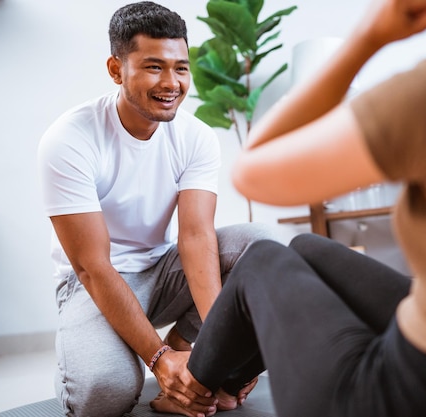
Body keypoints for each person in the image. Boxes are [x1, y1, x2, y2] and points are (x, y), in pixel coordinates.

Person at [144, 0, 426, 416]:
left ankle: (191, 388)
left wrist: (370, 37)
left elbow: (254, 172)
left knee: (263, 258)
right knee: (308, 248)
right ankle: (224, 384)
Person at [36, 2, 277, 416]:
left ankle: (187, 360)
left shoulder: (195, 137)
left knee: (262, 245)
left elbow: (197, 236)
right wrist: (159, 360)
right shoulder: (69, 139)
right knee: (104, 394)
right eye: (153, 67)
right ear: (116, 69)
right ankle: (104, 358)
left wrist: (209, 362)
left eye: (181, 68)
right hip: (93, 283)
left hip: (164, 271)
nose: (172, 83)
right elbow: (93, 266)